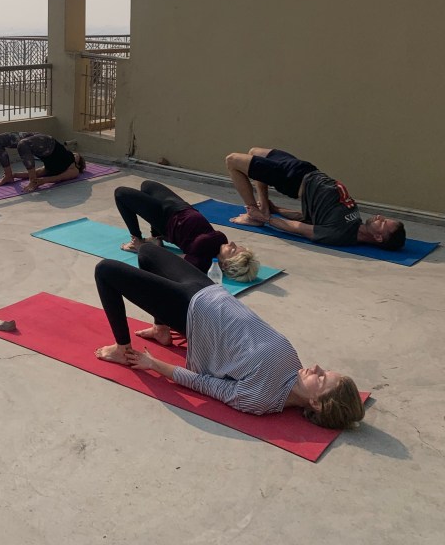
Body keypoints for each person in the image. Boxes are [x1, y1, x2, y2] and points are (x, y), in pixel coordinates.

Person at [93, 244, 364, 430]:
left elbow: (205, 385)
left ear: (316, 403)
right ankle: (161, 329)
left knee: (105, 270)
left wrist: (153, 364)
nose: (317, 367)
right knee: (148, 252)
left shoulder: (262, 399)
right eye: (324, 370)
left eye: (321, 378)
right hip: (212, 292)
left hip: (192, 313)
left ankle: (121, 348)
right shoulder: (294, 365)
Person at [225, 147, 406, 250]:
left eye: (383, 223)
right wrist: (275, 209)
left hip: (292, 180)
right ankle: (263, 205)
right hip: (306, 170)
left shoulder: (338, 235)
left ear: (378, 237)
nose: (380, 217)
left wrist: (266, 219)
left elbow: (300, 228)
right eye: (384, 218)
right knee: (255, 151)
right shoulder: (356, 222)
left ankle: (252, 213)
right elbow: (305, 217)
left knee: (232, 160)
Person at [114, 180, 260, 282]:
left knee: (120, 194)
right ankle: (156, 237)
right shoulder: (221, 245)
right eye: (236, 246)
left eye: (233, 250)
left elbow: (170, 259)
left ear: (226, 264)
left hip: (166, 219)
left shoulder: (202, 261)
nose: (232, 243)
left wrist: (143, 249)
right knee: (147, 186)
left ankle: (136, 241)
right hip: (181, 207)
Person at [0, 131, 86, 192]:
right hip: (46, 141)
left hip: (40, 144)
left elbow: (58, 177)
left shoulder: (73, 169)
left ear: (79, 164)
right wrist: (15, 175)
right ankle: (8, 175)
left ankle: (26, 180)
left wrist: (42, 181)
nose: (75, 155)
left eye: (78, 157)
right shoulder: (66, 158)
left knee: (22, 145)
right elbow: (35, 173)